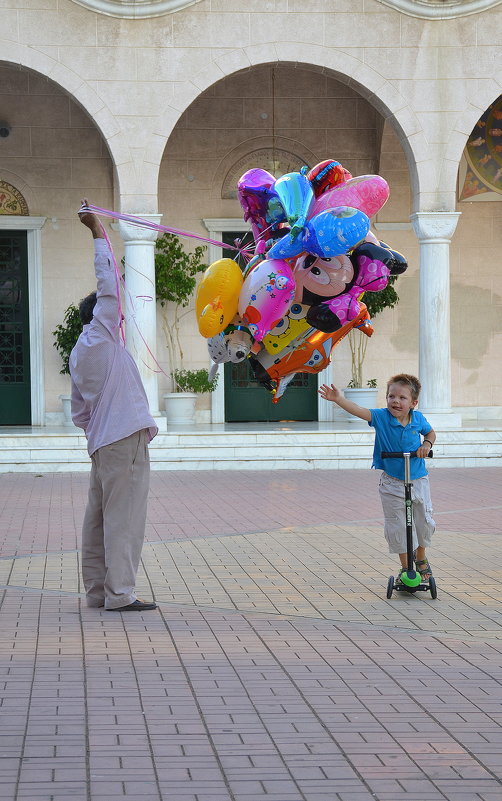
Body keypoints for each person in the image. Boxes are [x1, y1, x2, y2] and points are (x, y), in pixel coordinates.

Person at [70, 200, 158, 611]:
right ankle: (120, 594)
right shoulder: (103, 335)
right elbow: (111, 284)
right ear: (103, 316)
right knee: (123, 520)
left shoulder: (79, 352)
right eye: (116, 316)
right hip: (122, 441)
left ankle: (96, 592)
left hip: (104, 443)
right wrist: (97, 231)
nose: (121, 319)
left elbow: (79, 413)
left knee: (99, 519)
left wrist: (99, 435)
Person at [319, 374, 436, 582]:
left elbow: (430, 433)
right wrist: (339, 400)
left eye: (402, 398)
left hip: (418, 479)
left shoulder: (418, 419)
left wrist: (426, 445)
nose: (396, 401)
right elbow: (360, 411)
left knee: (423, 521)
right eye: (391, 396)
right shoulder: (382, 417)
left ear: (413, 403)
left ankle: (420, 558)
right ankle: (406, 567)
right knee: (398, 525)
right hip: (392, 482)